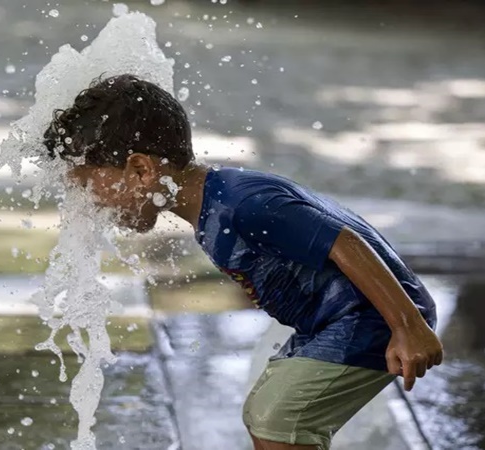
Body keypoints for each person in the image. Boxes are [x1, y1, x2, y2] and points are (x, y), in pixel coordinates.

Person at [43, 74, 443, 450]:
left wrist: (407, 327)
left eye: (88, 186)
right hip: (337, 320)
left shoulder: (243, 204)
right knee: (264, 414)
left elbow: (347, 243)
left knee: (279, 419)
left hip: (372, 319)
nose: (89, 202)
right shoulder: (215, 206)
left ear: (141, 169)